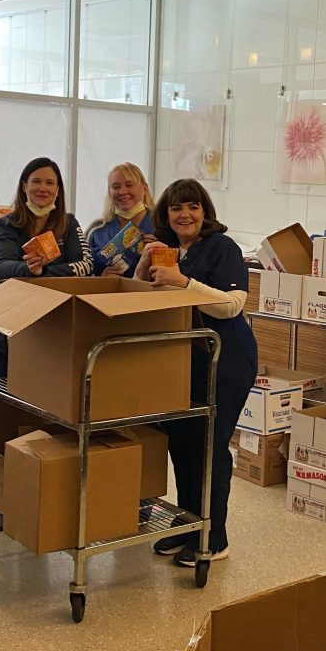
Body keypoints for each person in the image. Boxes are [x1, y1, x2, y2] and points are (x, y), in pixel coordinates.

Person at [134, 178, 257, 566]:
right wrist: (142, 269)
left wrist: (185, 283)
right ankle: (188, 525)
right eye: (176, 208)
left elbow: (233, 304)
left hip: (225, 361)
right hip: (182, 361)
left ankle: (213, 537)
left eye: (192, 207)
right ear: (165, 214)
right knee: (182, 444)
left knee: (209, 447)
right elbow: (142, 298)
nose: (185, 215)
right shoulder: (168, 252)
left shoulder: (222, 248)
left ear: (205, 211)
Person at [0, 156, 93, 531]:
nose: (43, 188)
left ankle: (46, 486)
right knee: (8, 413)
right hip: (11, 333)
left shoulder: (71, 224)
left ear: (58, 190)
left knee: (50, 412)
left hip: (55, 334)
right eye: (36, 181)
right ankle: (3, 494)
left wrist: (42, 271)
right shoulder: (6, 224)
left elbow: (86, 267)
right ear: (24, 185)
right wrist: (23, 269)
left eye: (50, 182)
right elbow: (0, 266)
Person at [87, 162, 156, 277]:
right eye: (115, 187)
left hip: (149, 294)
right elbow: (83, 276)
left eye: (129, 185)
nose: (122, 192)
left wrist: (158, 253)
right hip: (108, 294)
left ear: (144, 188)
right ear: (109, 192)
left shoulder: (161, 227)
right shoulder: (96, 231)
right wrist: (100, 280)